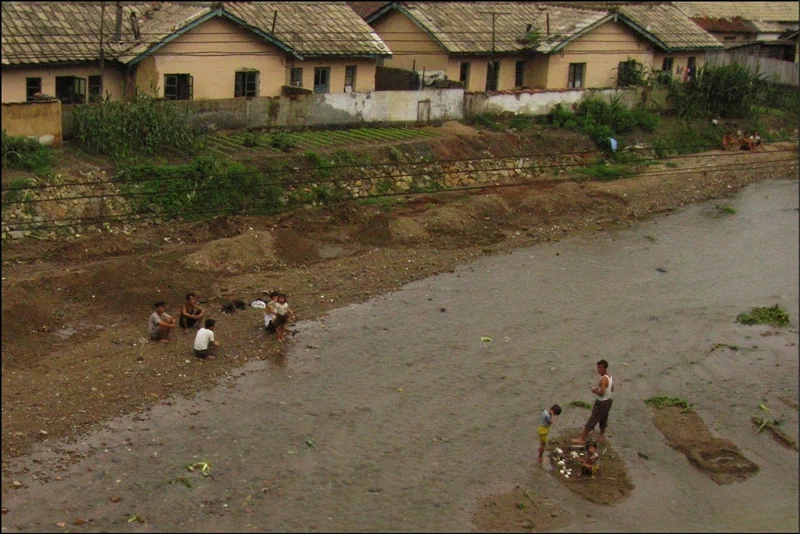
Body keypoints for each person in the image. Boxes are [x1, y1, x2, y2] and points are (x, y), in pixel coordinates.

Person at [572, 359, 614, 444]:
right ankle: (601, 437)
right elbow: (612, 389)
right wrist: (602, 389)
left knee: (593, 419)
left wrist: (595, 390)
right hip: (608, 401)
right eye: (598, 367)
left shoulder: (603, 379)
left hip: (601, 403)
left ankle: (581, 438)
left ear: (604, 368)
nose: (598, 369)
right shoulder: (610, 376)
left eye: (600, 368)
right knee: (604, 419)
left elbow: (601, 393)